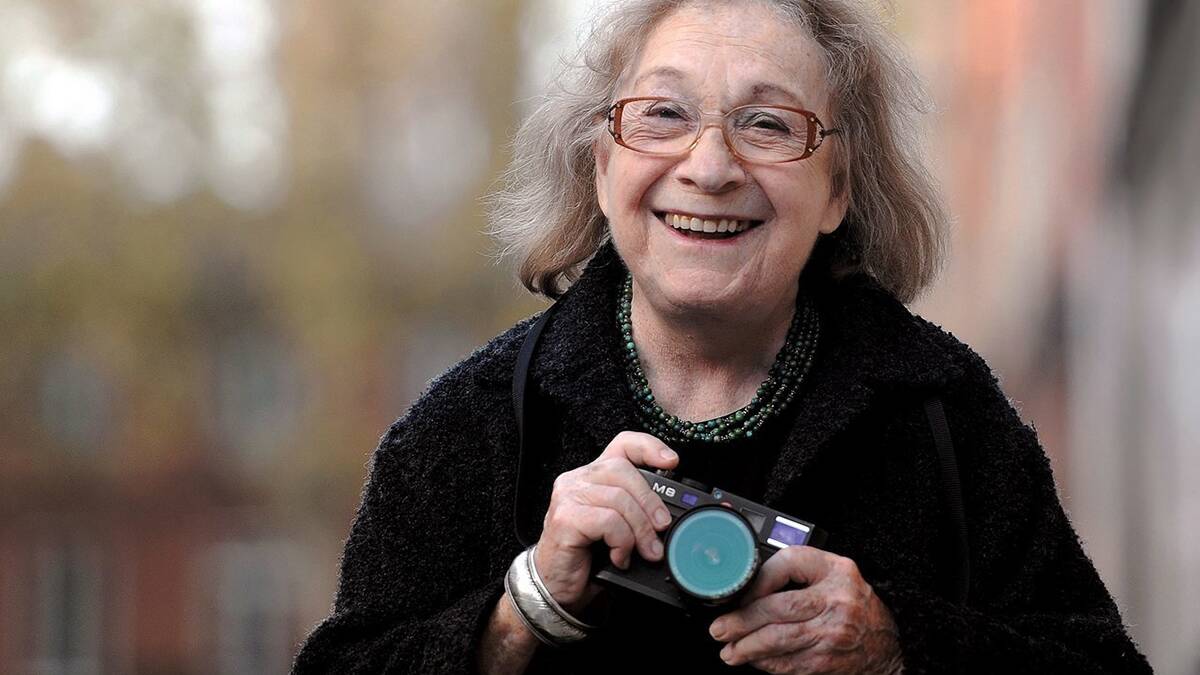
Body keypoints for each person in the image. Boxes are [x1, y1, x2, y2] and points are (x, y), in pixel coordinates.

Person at [293, 1, 1152, 673]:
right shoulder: (474, 424)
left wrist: (896, 645)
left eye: (768, 124)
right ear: (602, 167)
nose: (709, 167)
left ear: (838, 191)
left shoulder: (944, 413)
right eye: (662, 115)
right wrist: (526, 608)